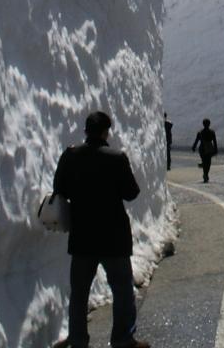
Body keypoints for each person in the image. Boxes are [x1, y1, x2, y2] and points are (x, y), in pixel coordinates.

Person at [52, 110, 150, 348]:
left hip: (82, 236)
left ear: (86, 131)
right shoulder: (117, 158)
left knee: (79, 292)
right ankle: (122, 339)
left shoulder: (70, 155)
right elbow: (131, 193)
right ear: (106, 132)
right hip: (113, 237)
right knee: (122, 290)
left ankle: (77, 339)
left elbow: (59, 189)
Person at [191, 118, 217, 183]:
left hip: (202, 148)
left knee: (204, 161)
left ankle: (205, 174)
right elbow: (214, 141)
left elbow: (196, 141)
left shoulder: (200, 132)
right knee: (208, 162)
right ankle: (206, 174)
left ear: (203, 124)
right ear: (209, 124)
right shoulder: (212, 132)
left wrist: (194, 147)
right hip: (209, 148)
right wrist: (215, 149)